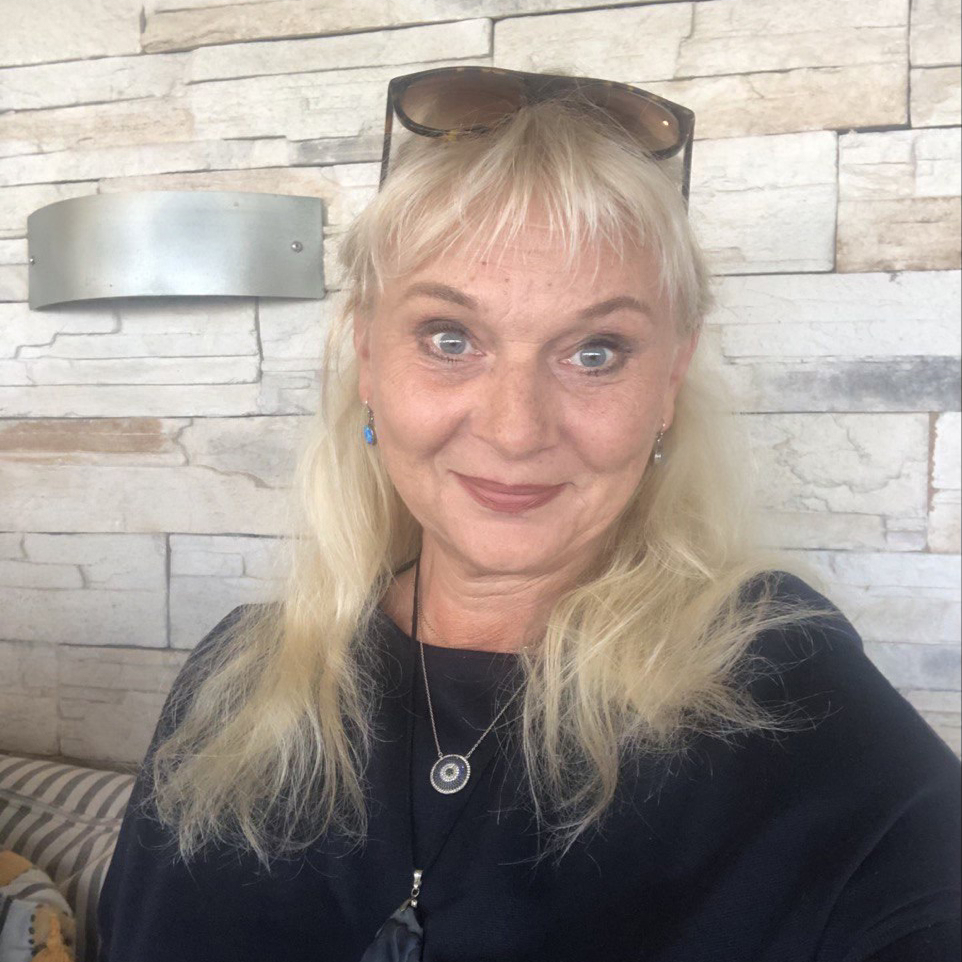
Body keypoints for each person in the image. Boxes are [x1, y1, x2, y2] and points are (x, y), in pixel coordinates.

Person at [96, 66, 961, 962]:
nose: (515, 430)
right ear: (366, 352)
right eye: (450, 338)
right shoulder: (239, 677)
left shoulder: (783, 686)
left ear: (669, 380)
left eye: (595, 351)